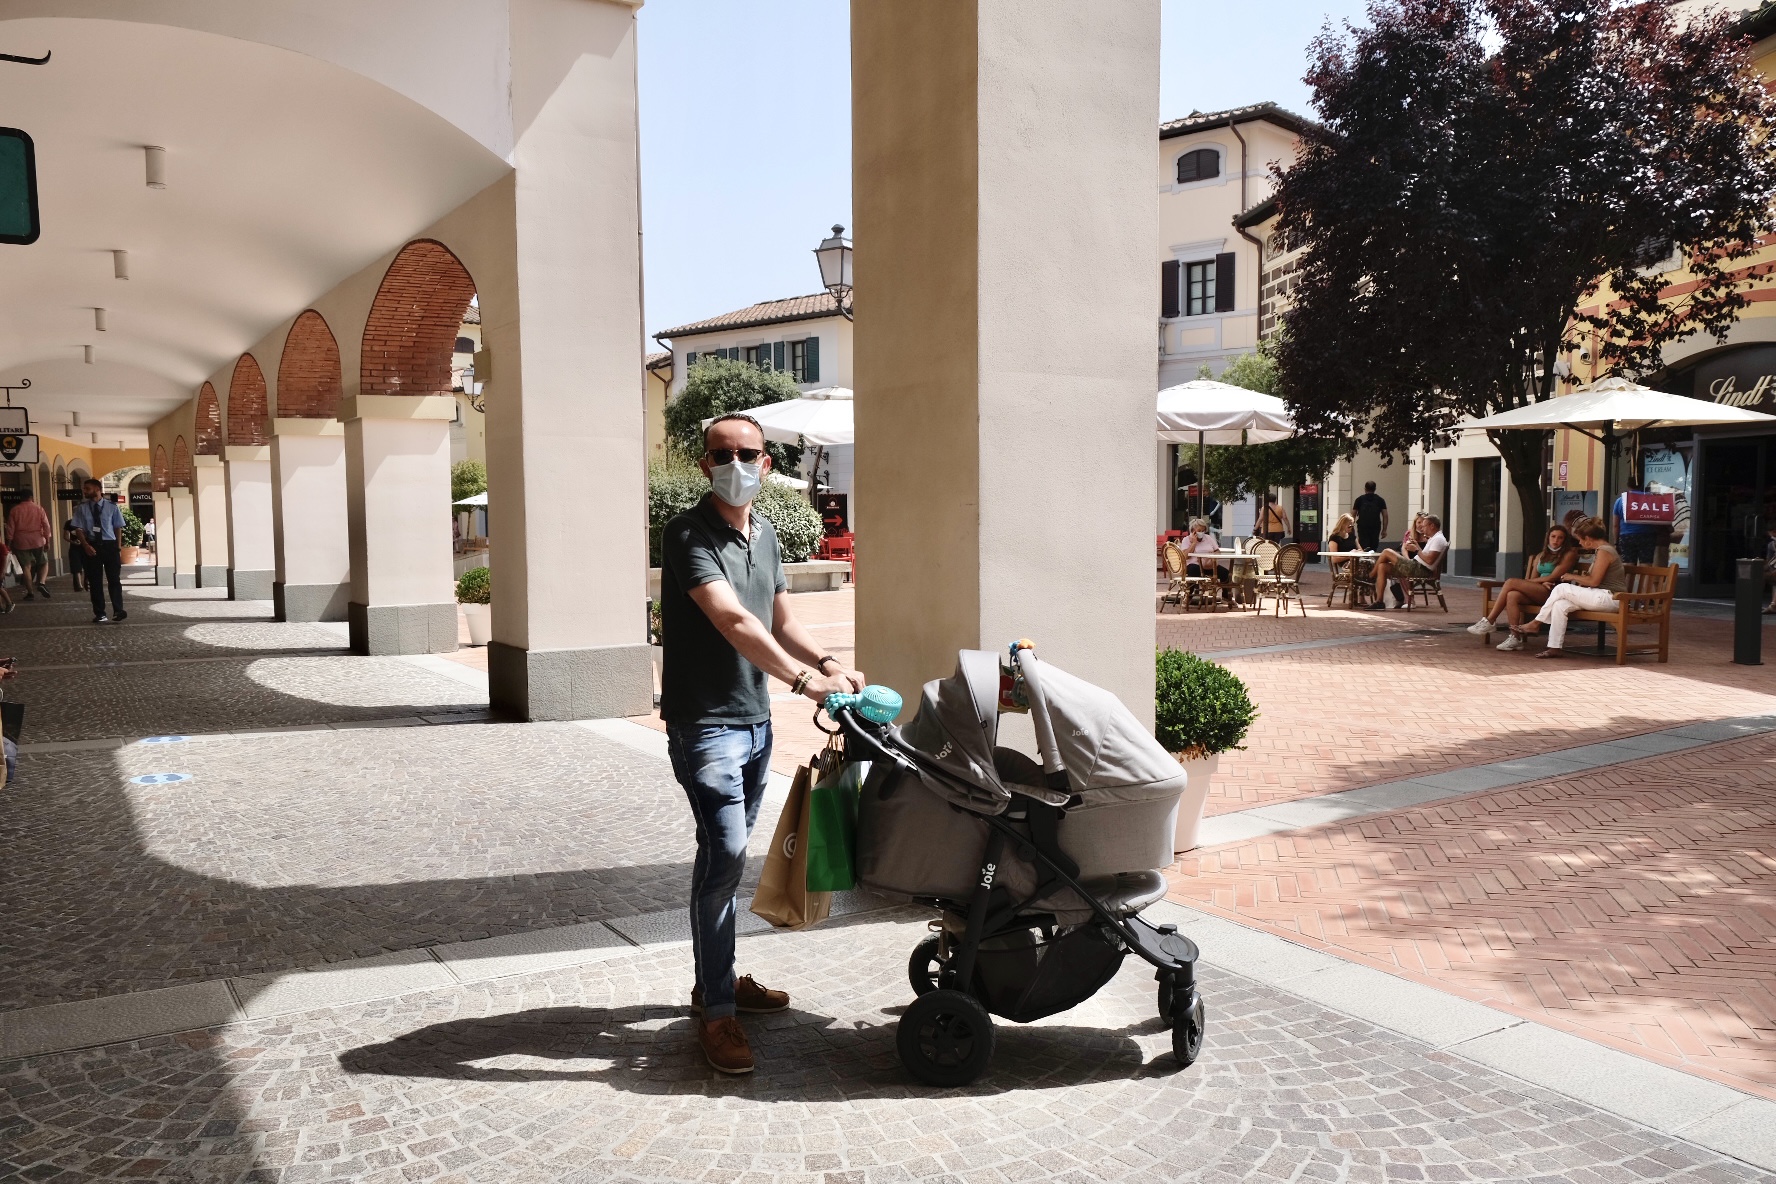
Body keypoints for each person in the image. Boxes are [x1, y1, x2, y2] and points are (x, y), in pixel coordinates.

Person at [659, 412, 865, 1075]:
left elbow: (780, 617)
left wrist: (831, 663)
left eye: (748, 454)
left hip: (755, 724)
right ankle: (718, 1012)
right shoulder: (687, 533)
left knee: (726, 858)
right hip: (706, 726)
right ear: (705, 465)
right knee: (722, 854)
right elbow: (732, 618)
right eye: (723, 455)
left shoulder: (768, 533)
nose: (736, 465)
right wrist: (805, 681)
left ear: (767, 463)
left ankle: (711, 983)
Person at [1515, 518, 1625, 658]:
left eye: (1580, 539)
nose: (1579, 543)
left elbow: (1594, 581)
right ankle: (1554, 648)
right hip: (1600, 596)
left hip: (1611, 598)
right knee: (1560, 605)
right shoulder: (1601, 550)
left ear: (1589, 539)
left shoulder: (1604, 551)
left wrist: (1572, 577)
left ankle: (1536, 622)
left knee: (1561, 589)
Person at [1468, 525, 1580, 644]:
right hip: (1539, 590)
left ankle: (1490, 620)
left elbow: (1553, 577)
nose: (1556, 540)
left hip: (1554, 592)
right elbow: (1533, 578)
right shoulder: (1541, 555)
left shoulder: (1569, 554)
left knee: (1511, 582)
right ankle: (1515, 637)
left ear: (1564, 540)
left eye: (1560, 538)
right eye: (1553, 537)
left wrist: (1533, 582)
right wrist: (1539, 582)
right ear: (1548, 538)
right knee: (1512, 595)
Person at [71, 479, 127, 623]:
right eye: (84, 488)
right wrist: (85, 545)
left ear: (97, 489)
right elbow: (78, 529)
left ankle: (118, 610)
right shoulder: (82, 508)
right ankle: (100, 613)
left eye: (87, 488)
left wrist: (118, 547)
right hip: (92, 545)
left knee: (114, 579)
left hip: (109, 546)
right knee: (95, 581)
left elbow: (117, 527)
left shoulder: (112, 507)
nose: (84, 491)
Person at [1367, 514, 1446, 610]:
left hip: (1419, 569)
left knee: (1386, 552)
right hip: (1416, 566)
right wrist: (1416, 545)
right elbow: (1426, 556)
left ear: (1432, 526)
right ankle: (1379, 602)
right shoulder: (1434, 538)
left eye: (1424, 526)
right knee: (1382, 566)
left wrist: (1416, 550)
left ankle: (1370, 577)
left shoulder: (1438, 539)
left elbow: (1429, 560)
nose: (1423, 529)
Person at [5, 490, 52, 601]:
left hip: (20, 541)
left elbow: (10, 528)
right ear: (31, 497)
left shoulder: (14, 510)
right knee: (44, 563)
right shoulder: (39, 508)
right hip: (37, 539)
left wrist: (9, 543)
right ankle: (41, 582)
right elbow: (46, 525)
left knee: (26, 567)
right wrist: (47, 540)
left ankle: (30, 593)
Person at [1180, 516, 1230, 603]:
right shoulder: (1186, 540)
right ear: (1193, 530)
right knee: (1193, 571)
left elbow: (1217, 551)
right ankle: (1189, 596)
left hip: (1209, 565)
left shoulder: (1208, 538)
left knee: (1225, 573)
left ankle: (1226, 596)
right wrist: (1194, 543)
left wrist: (1212, 556)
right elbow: (1184, 556)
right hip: (1195, 565)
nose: (1202, 533)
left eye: (1203, 530)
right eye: (1199, 531)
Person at [1612, 489, 1658, 566]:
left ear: (1629, 485)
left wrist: (1616, 543)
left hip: (1626, 536)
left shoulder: (1620, 500)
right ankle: (1644, 578)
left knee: (1628, 565)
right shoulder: (1651, 500)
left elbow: (1615, 525)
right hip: (1647, 535)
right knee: (1646, 565)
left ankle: (1628, 578)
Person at [1352, 482, 1389, 553]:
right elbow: (1385, 515)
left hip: (1362, 527)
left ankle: (1364, 562)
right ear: (1375, 489)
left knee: (1363, 546)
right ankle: (1372, 562)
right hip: (1375, 527)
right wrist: (1384, 530)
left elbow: (1353, 515)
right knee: (1373, 547)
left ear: (1365, 489)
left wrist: (1351, 527)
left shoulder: (1359, 500)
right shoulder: (1380, 500)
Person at [63, 513, 84, 592]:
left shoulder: (85, 522)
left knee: (77, 566)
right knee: (76, 566)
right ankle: (79, 585)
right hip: (76, 548)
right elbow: (65, 536)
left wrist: (73, 541)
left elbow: (65, 536)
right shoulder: (69, 523)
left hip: (81, 547)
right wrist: (73, 541)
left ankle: (81, 584)